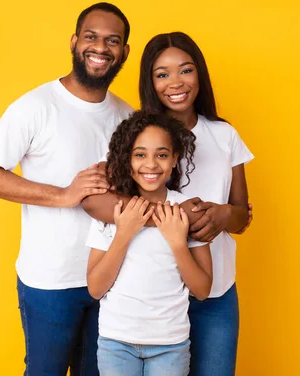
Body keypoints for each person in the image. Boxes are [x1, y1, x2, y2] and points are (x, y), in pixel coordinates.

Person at [0, 2, 133, 376]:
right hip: (50, 280)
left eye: (113, 40)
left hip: (110, 279)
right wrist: (63, 195)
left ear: (124, 52)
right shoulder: (36, 106)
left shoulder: (128, 115)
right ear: (75, 42)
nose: (101, 47)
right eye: (91, 37)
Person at [82, 31, 254, 376]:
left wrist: (221, 215)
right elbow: (95, 202)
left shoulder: (224, 135)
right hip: (144, 303)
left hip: (211, 289)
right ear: (151, 82)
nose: (176, 82)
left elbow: (242, 214)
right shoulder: (134, 135)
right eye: (162, 74)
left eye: (185, 70)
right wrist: (175, 219)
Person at [86, 111, 213, 375]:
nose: (151, 164)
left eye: (162, 154)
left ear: (175, 159)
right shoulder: (112, 212)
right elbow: (95, 289)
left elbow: (202, 290)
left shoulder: (188, 210)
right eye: (140, 154)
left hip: (170, 344)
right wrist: (123, 234)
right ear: (127, 159)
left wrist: (178, 243)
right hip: (116, 342)